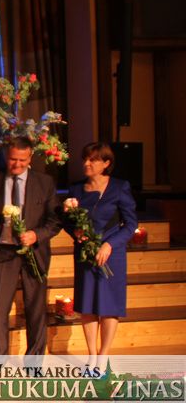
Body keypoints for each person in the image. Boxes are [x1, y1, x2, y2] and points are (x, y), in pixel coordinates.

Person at [0, 136, 61, 357]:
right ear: (5, 156)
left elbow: (55, 220)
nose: (17, 164)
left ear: (30, 157)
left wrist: (36, 235)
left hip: (34, 254)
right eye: (12, 159)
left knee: (35, 308)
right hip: (2, 252)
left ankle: (34, 362)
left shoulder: (44, 183)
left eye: (22, 160)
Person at [66, 142, 137, 360]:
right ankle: (92, 355)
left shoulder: (120, 187)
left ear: (106, 163)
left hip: (111, 254)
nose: (86, 163)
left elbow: (131, 224)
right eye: (85, 159)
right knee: (87, 304)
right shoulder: (76, 189)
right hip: (85, 253)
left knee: (109, 305)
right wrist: (75, 232)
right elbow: (67, 221)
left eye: (93, 160)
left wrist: (109, 244)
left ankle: (103, 356)